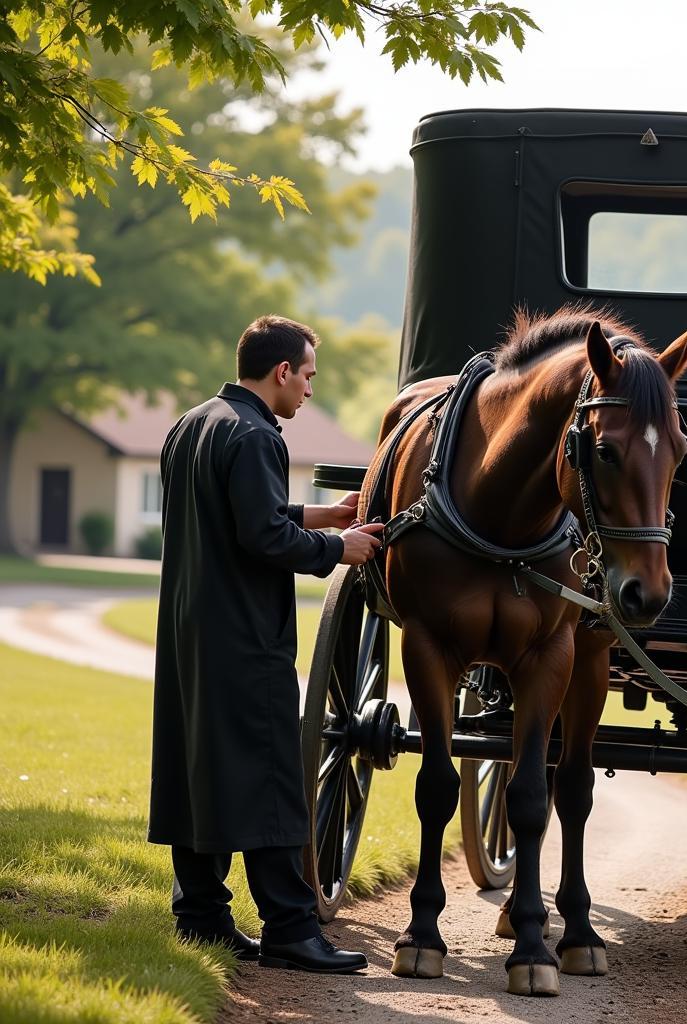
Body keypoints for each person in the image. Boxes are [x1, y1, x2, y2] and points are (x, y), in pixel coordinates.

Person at [148, 314, 384, 972]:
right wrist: (343, 547)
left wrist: (318, 514)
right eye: (308, 375)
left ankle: (200, 917)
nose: (309, 390)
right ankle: (290, 928)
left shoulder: (193, 424)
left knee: (200, 769)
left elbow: (237, 515)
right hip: (247, 635)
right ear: (282, 371)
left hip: (191, 631)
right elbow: (263, 540)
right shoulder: (258, 436)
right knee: (275, 777)